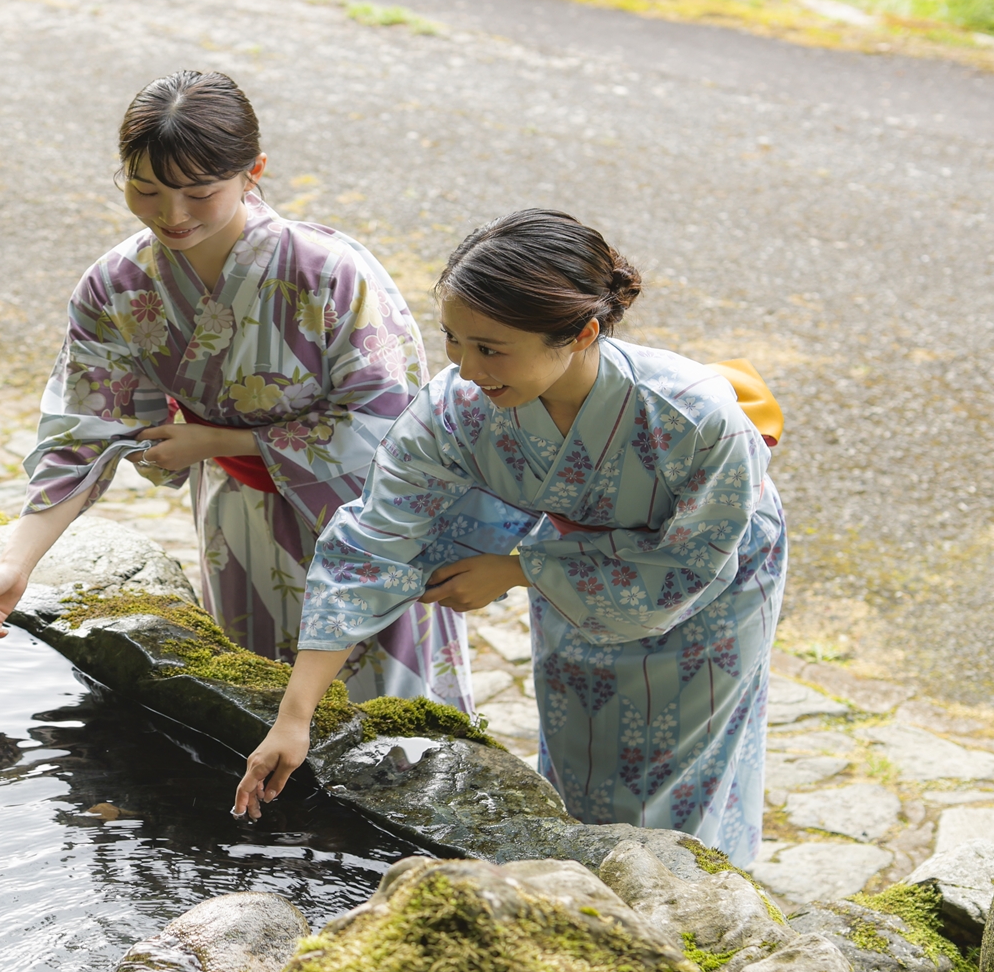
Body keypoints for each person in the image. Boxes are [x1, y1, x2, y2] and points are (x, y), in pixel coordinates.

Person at [232, 209, 787, 866]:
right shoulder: (457, 408)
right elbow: (375, 537)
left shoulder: (692, 417)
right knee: (578, 745)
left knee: (680, 773)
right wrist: (295, 714)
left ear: (581, 333)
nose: (466, 370)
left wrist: (520, 567)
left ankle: (691, 918)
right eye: (453, 341)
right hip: (574, 573)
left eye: (490, 348)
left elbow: (687, 564)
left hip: (710, 585)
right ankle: (578, 895)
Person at [0, 70, 477, 709]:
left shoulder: (329, 274)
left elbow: (396, 423)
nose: (172, 216)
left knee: (389, 719)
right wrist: (17, 565)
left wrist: (222, 439)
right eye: (145, 190)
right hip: (237, 515)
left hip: (366, 520)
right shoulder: (117, 285)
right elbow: (81, 431)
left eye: (200, 193)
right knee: (253, 695)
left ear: (253, 170)